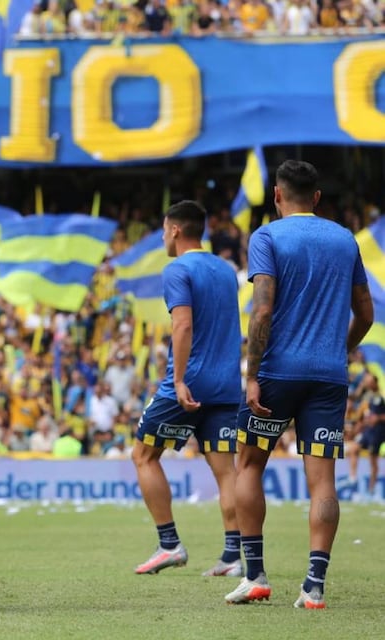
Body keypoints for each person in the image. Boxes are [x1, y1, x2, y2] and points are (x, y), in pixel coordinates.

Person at [225, 160, 374, 609]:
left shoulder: (267, 237)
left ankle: (255, 576)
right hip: (328, 377)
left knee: (249, 467)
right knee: (322, 481)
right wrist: (340, 350)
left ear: (276, 196)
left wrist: (252, 375)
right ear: (317, 198)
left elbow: (263, 310)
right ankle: (314, 585)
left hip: (277, 372)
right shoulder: (345, 239)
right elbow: (366, 314)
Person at [131, 200, 243, 577]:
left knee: (144, 455)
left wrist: (178, 380)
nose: (163, 236)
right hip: (226, 385)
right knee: (226, 472)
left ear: (175, 230)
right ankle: (232, 557)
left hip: (190, 382)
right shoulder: (226, 270)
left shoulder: (177, 269)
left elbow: (183, 326)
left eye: (164, 230)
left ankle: (169, 544)